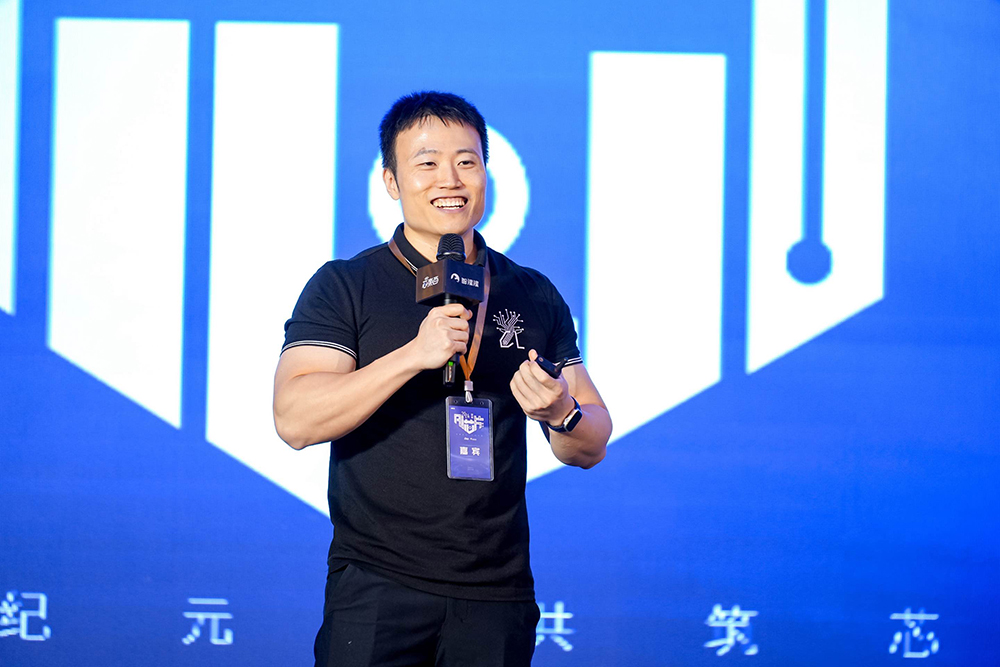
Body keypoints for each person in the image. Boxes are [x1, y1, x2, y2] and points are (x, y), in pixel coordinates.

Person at [273, 91, 612, 667]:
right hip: (377, 583)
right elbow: (295, 419)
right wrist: (413, 355)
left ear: (485, 174)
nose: (450, 179)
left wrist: (561, 413)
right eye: (427, 163)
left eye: (467, 161)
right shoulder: (346, 285)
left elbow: (592, 441)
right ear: (391, 180)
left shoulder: (532, 292)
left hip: (497, 590)